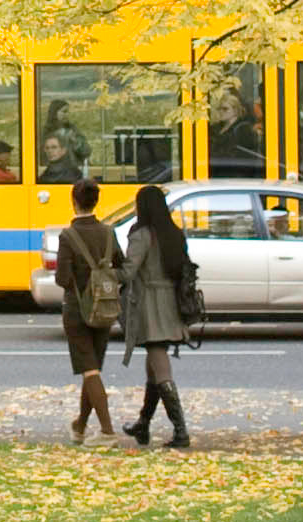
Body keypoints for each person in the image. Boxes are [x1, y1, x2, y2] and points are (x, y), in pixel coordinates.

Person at [116, 182, 198, 450]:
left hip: (149, 303)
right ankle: (143, 423)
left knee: (159, 363)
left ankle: (181, 431)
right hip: (170, 301)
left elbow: (128, 272)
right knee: (153, 365)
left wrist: (105, 272)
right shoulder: (173, 233)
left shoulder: (141, 234)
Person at [52, 180, 124, 444]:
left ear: (74, 201)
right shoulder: (108, 232)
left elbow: (62, 278)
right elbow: (120, 264)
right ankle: (80, 426)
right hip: (104, 306)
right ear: (96, 202)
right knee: (91, 368)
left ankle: (107, 431)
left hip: (77, 309)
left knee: (89, 370)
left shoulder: (67, 236)